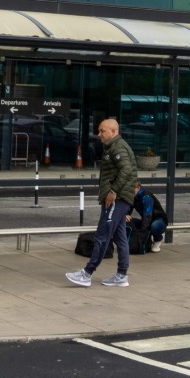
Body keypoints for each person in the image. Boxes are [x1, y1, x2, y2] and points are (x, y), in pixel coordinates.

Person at [66, 118, 137, 288]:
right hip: (120, 199)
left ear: (114, 131)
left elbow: (126, 170)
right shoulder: (113, 146)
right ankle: (121, 275)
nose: (99, 134)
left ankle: (87, 273)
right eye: (99, 131)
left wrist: (113, 192)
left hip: (117, 199)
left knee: (102, 235)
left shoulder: (118, 147)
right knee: (120, 237)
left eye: (102, 131)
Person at [131, 186, 168, 253]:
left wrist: (143, 233)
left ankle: (157, 239)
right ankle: (131, 241)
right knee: (127, 221)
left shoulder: (146, 196)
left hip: (159, 219)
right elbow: (128, 210)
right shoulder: (132, 197)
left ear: (138, 188)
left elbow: (147, 215)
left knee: (154, 226)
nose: (130, 190)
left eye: (132, 188)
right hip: (146, 220)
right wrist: (126, 215)